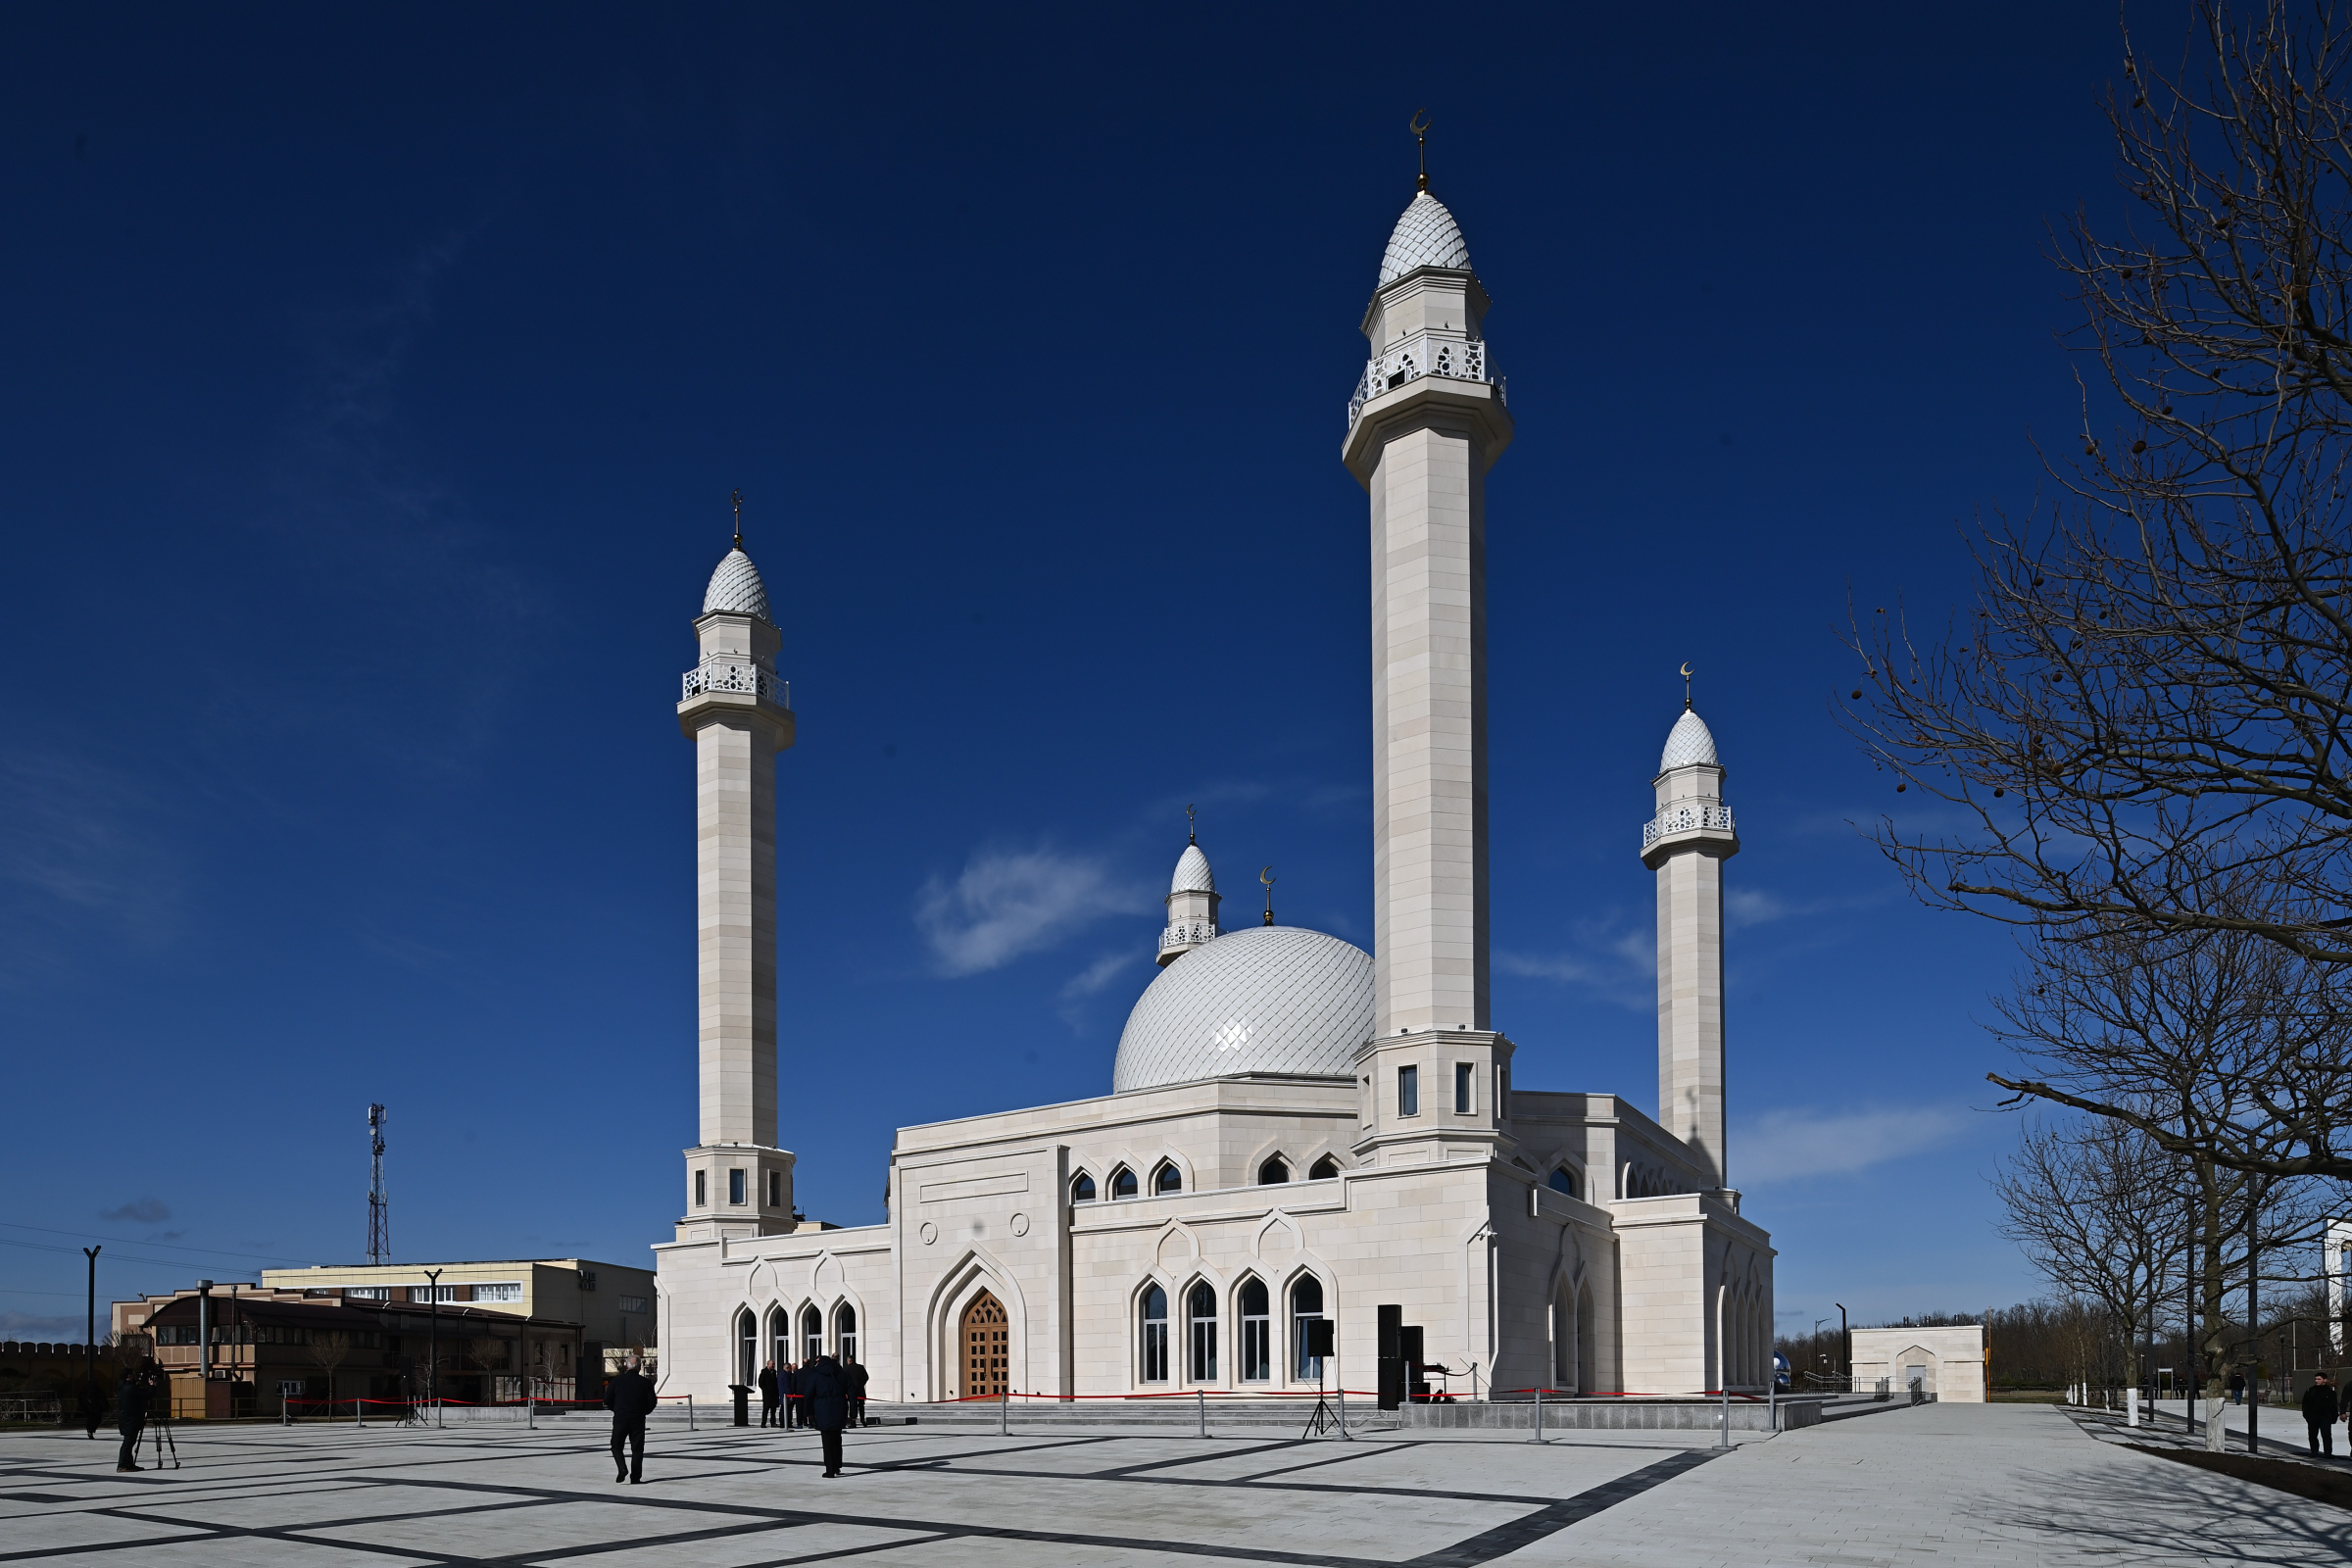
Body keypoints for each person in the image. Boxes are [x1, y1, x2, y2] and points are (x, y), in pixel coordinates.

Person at [604, 1353, 658, 1484]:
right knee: (637, 1449)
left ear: (626, 1366)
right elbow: (652, 1402)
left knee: (616, 1446)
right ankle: (635, 1477)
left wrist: (616, 1409)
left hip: (620, 1418)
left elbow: (607, 1399)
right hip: (637, 1419)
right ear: (639, 1367)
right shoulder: (645, 1383)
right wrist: (644, 1412)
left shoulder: (616, 1381)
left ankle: (622, 1468)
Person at [803, 1351, 852, 1478]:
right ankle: (837, 1466)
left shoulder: (815, 1375)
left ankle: (830, 1469)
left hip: (823, 1411)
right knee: (837, 1439)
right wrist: (853, 1412)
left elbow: (808, 1395)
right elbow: (852, 1393)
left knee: (827, 1442)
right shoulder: (842, 1374)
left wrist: (808, 1413)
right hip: (839, 1410)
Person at [114, 1359, 156, 1473]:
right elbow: (146, 1395)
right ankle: (122, 1465)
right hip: (130, 1420)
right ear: (128, 1376)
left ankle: (129, 1464)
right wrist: (152, 1386)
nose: (136, 1376)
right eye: (134, 1374)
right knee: (128, 1442)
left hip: (126, 1419)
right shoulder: (130, 1388)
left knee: (130, 1441)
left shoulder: (122, 1387)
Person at [2305, 1372, 2338, 1457]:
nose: (2316, 1381)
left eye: (2319, 1379)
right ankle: (2314, 1451)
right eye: (2315, 1379)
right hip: (2313, 1417)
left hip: (2325, 1417)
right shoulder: (2310, 1391)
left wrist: (2334, 1417)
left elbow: (2334, 1406)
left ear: (2325, 1380)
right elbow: (2305, 1404)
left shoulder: (2330, 1392)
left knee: (2326, 1435)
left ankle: (2328, 1453)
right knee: (2312, 1435)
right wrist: (2307, 1416)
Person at [757, 1359, 780, 1428]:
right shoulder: (764, 1372)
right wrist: (766, 1390)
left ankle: (773, 1422)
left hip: (774, 1394)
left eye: (774, 1364)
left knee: (773, 1410)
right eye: (772, 1364)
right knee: (766, 1409)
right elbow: (761, 1383)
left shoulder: (774, 1372)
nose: (773, 1366)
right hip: (767, 1394)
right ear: (768, 1364)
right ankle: (763, 1423)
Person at [846, 1355, 868, 1426]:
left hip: (851, 1390)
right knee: (861, 1405)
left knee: (853, 1405)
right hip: (860, 1389)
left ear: (849, 1361)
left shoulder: (846, 1369)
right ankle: (862, 1419)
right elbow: (866, 1377)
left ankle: (853, 1421)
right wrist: (862, 1384)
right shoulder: (861, 1367)